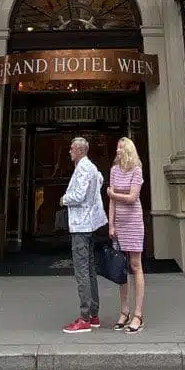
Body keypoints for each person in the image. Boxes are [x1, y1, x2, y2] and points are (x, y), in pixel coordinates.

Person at [57, 136, 106, 334]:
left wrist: (64, 199)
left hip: (81, 225)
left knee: (82, 271)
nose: (69, 152)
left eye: (71, 149)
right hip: (89, 224)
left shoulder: (84, 168)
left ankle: (85, 317)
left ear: (79, 150)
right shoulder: (93, 168)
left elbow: (79, 195)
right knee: (89, 269)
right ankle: (93, 314)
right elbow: (100, 181)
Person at [106, 136, 146, 333]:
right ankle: (124, 311)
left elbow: (132, 197)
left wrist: (113, 195)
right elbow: (111, 202)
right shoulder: (114, 170)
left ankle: (138, 314)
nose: (118, 151)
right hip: (119, 224)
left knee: (135, 265)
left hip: (134, 222)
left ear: (129, 150)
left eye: (121, 147)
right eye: (117, 147)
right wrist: (111, 224)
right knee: (121, 267)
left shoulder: (136, 170)